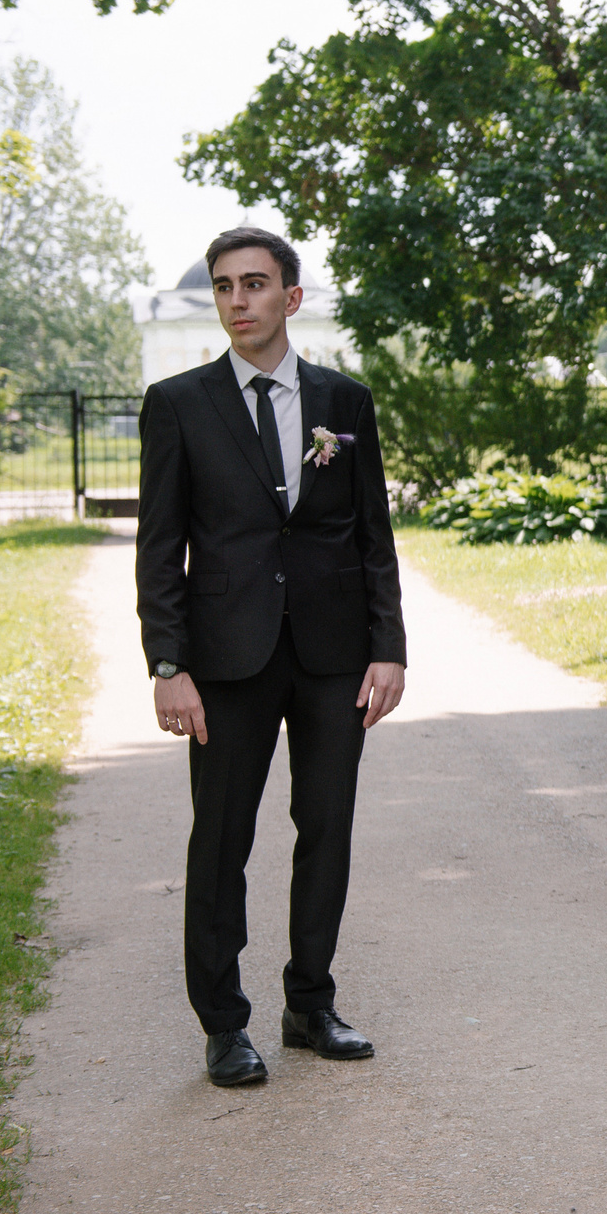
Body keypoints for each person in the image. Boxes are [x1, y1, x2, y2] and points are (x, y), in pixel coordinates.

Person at [135, 225, 406, 1088]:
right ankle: (223, 1023)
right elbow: (160, 545)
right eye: (223, 286)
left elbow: (373, 536)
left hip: (332, 655)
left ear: (290, 297)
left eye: (254, 283)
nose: (237, 300)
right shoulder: (177, 403)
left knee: (326, 827)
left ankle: (310, 1003)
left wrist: (388, 649)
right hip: (225, 658)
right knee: (221, 839)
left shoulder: (344, 402)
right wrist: (168, 663)